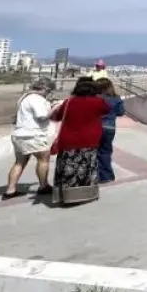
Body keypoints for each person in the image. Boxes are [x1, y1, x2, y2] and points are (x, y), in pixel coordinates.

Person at [49, 76, 111, 205]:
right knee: (88, 166)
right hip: (90, 140)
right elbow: (107, 110)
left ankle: (67, 196)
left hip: (69, 140)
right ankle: (86, 194)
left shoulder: (69, 102)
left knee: (68, 167)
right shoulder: (98, 102)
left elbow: (58, 116)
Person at [3, 76, 56, 200]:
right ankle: (43, 186)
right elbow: (42, 115)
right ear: (44, 89)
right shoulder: (36, 99)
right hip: (33, 135)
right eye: (49, 91)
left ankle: (10, 190)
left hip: (19, 134)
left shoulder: (24, 97)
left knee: (19, 162)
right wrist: (53, 108)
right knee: (43, 159)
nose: (48, 94)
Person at [94, 77, 125, 183]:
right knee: (105, 152)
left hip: (95, 128)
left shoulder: (93, 98)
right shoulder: (116, 98)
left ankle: (95, 176)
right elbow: (121, 112)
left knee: (93, 152)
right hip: (109, 128)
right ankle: (107, 177)